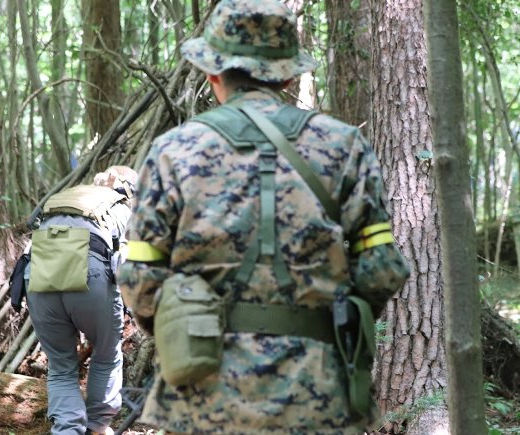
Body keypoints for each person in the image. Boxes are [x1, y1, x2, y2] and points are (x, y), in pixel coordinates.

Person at [117, 1, 410, 433]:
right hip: (317, 393)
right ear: (288, 76)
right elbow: (381, 268)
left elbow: (141, 280)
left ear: (212, 73)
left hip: (203, 395)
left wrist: (183, 327)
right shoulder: (343, 145)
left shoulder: (173, 151)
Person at [25, 166, 137, 435]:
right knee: (107, 355)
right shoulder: (122, 206)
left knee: (61, 366)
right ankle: (96, 427)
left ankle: (67, 430)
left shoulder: (69, 198)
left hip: (38, 273)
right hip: (91, 273)